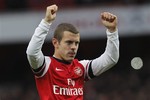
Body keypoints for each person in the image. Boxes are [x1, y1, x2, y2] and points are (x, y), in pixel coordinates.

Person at [26, 4, 119, 100]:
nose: (74, 47)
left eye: (76, 43)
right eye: (69, 42)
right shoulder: (46, 66)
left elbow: (111, 59)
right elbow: (32, 52)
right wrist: (46, 22)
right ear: (55, 43)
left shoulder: (81, 68)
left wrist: (112, 31)